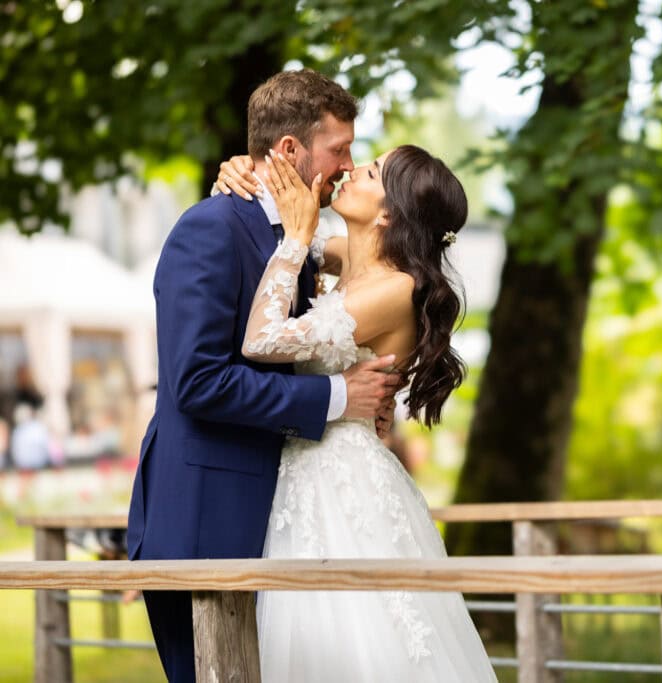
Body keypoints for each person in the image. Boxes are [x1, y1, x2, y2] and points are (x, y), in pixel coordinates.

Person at [125, 69, 401, 683]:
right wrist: (337, 395)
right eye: (339, 150)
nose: (348, 166)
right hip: (203, 520)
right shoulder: (211, 229)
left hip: (277, 521)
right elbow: (195, 382)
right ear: (289, 150)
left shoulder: (298, 241)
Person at [213, 144, 497, 681]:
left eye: (368, 172)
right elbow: (279, 211)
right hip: (301, 469)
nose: (350, 170)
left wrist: (296, 241)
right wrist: (243, 169)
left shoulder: (396, 288)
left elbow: (261, 338)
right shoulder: (350, 256)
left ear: (388, 211)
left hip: (342, 483)